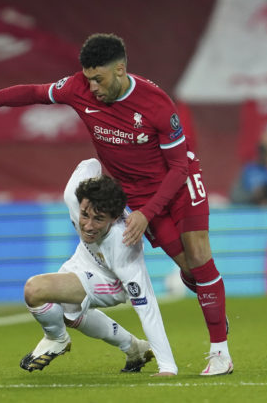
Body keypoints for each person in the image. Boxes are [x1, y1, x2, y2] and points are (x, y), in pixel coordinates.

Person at [0, 33, 233, 375]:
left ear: (120, 69)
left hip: (179, 182)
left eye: (98, 79)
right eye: (88, 79)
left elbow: (177, 168)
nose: (93, 87)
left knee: (199, 254)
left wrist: (146, 214)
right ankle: (212, 300)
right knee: (190, 269)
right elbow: (37, 93)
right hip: (139, 195)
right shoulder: (77, 88)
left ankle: (220, 351)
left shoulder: (156, 104)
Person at [20, 158, 177, 376]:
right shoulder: (73, 195)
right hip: (83, 259)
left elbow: (147, 306)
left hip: (111, 280)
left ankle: (57, 339)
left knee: (35, 289)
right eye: (85, 215)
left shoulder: (124, 243)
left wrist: (167, 367)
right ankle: (134, 348)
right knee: (64, 314)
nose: (88, 225)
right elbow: (91, 162)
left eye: (99, 219)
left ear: (114, 218)